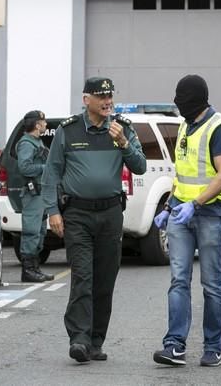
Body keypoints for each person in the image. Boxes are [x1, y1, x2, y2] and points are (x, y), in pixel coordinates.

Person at [41, 77, 147, 363]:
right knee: (83, 278)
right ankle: (79, 339)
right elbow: (52, 173)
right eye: (101, 96)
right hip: (77, 215)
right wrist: (52, 211)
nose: (107, 101)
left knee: (104, 280)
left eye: (110, 95)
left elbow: (140, 166)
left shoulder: (122, 128)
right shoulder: (68, 130)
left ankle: (96, 341)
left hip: (111, 214)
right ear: (86, 99)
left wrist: (123, 143)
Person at [152, 74, 221, 367]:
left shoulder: (219, 127)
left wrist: (195, 203)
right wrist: (169, 206)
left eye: (181, 99)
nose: (178, 104)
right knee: (178, 280)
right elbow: (183, 173)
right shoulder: (187, 125)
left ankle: (213, 346)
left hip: (208, 214)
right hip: (180, 213)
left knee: (211, 283)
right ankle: (174, 345)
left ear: (196, 99)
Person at [16, 110, 53, 283]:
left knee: (40, 232)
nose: (46, 125)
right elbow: (25, 168)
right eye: (43, 122)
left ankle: (35, 268)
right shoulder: (26, 143)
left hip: (41, 193)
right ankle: (28, 270)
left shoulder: (36, 142)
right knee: (31, 231)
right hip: (33, 194)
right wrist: (46, 168)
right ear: (37, 125)